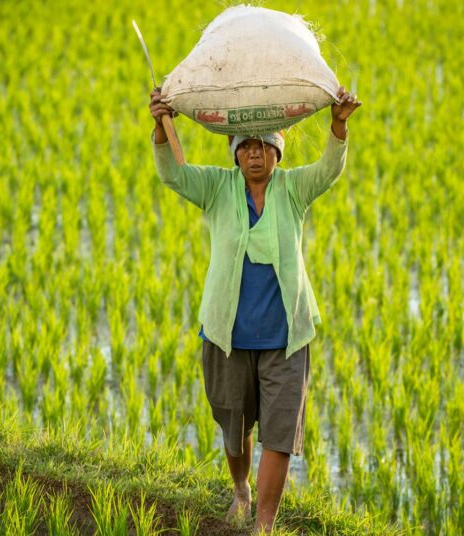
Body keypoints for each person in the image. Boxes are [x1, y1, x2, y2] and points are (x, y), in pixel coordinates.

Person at [149, 86, 361, 534]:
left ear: (278, 152)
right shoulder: (217, 189)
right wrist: (161, 128)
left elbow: (328, 169)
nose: (255, 154)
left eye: (264, 145)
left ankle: (263, 525)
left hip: (286, 339)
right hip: (228, 336)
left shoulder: (293, 190)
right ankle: (241, 489)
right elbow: (174, 176)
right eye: (245, 146)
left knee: (280, 436)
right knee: (235, 428)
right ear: (235, 153)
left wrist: (338, 125)